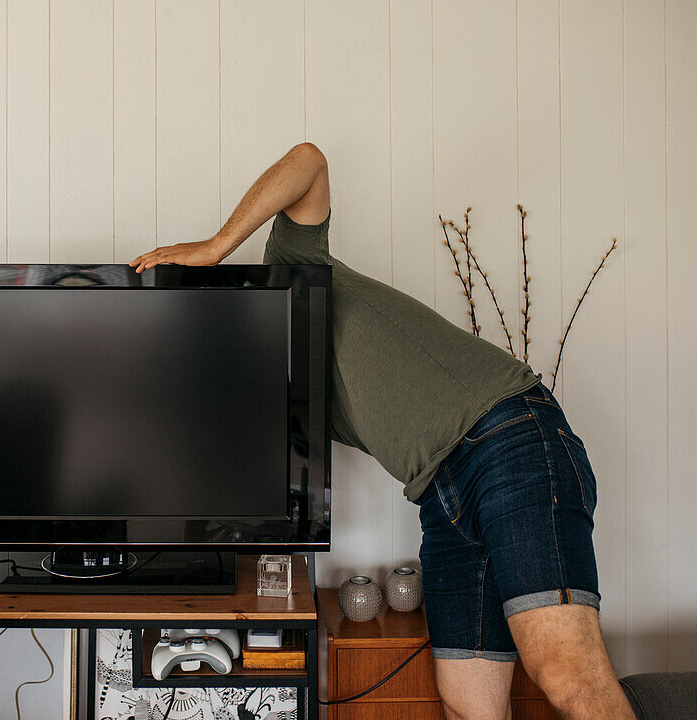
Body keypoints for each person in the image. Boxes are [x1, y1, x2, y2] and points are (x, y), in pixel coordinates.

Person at [130, 143, 634, 720]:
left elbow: (309, 161)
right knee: (467, 701)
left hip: (508, 440)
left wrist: (216, 246)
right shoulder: (274, 407)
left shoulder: (294, 274)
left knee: (569, 679)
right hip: (438, 492)